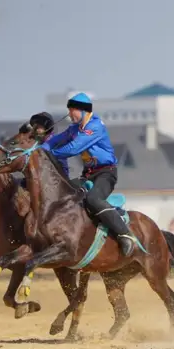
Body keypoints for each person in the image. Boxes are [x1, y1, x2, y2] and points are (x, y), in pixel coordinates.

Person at [40, 93, 138, 256]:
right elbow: (54, 141)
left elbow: (73, 148)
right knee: (64, 194)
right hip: (88, 174)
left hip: (106, 173)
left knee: (93, 199)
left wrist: (49, 155)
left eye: (72, 111)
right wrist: (39, 149)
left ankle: (125, 234)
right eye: (69, 111)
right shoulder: (73, 129)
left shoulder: (95, 126)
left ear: (83, 111)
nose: (70, 115)